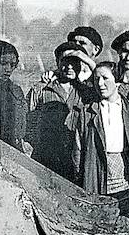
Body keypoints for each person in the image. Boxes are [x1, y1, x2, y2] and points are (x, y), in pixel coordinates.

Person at [71, 61, 129, 194]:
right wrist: (81, 179)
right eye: (96, 79)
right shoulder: (87, 113)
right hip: (98, 174)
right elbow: (78, 149)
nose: (100, 83)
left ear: (117, 81)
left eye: (105, 78)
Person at [27, 42, 93, 180]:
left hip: (77, 160)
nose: (69, 66)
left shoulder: (86, 92)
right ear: (57, 62)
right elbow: (29, 125)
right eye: (65, 61)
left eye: (74, 61)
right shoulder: (41, 90)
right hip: (46, 159)